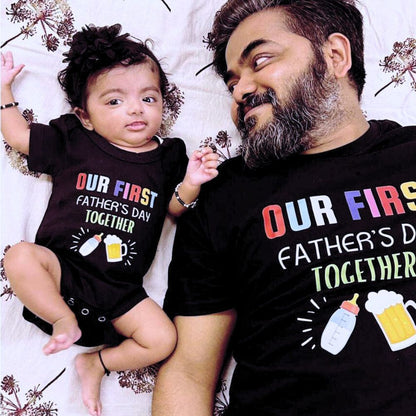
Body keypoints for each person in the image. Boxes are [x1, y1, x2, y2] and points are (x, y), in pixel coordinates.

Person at [152, 0, 416, 415]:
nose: (240, 90)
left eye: (260, 60)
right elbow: (188, 373)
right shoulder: (224, 196)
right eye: (232, 82)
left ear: (335, 56)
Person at [1, 24, 219, 416]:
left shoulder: (168, 156)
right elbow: (18, 136)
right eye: (115, 101)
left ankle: (97, 363)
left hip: (119, 290)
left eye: (149, 98)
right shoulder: (75, 141)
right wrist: (3, 91)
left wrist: (191, 183)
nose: (136, 109)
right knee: (18, 257)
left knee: (163, 339)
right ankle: (62, 318)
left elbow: (173, 210)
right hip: (61, 270)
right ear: (85, 116)